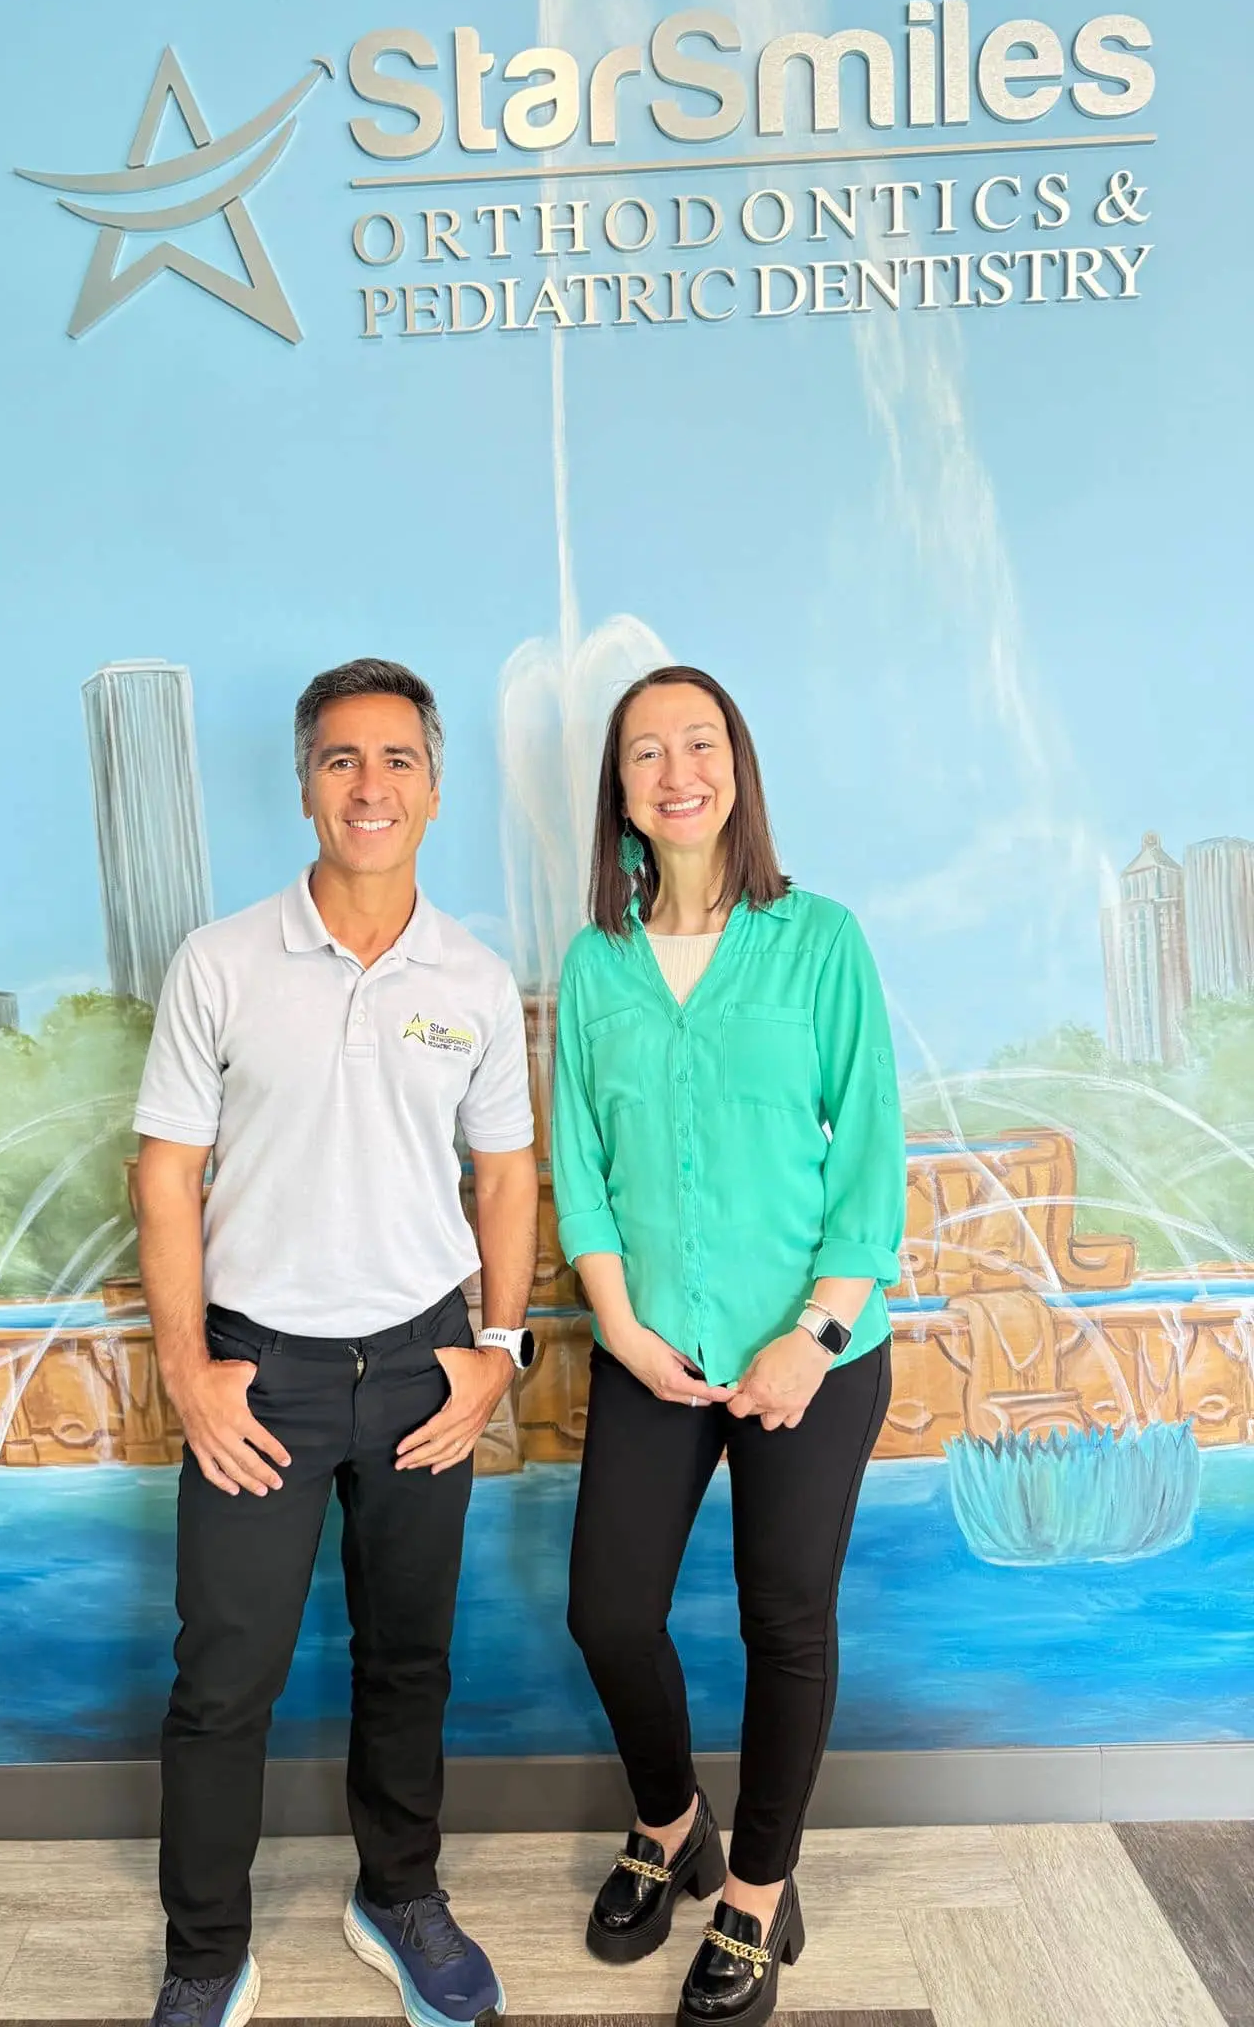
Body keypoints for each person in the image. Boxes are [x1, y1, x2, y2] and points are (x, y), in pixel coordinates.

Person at [133, 659, 540, 2027]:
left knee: (409, 1657)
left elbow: (503, 1178)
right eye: (341, 761)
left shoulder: (473, 979)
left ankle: (399, 1891)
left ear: (435, 787)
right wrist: (188, 1367)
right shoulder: (223, 961)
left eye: (397, 761)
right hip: (263, 1369)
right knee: (222, 1678)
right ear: (304, 783)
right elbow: (165, 1172)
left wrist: (497, 1349)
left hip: (423, 1366)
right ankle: (203, 1954)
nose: (370, 786)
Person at [551, 665, 905, 2027]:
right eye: (647, 751)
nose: (677, 770)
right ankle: (672, 1821)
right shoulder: (596, 963)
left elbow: (870, 1168)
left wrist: (814, 1337)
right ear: (621, 792)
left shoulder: (819, 941)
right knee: (607, 1610)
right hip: (656, 1352)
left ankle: (756, 1891)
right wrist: (622, 1328)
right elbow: (581, 1164)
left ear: (739, 768)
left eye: (701, 743)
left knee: (784, 1618)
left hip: (811, 1352)